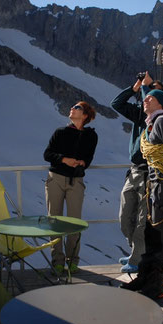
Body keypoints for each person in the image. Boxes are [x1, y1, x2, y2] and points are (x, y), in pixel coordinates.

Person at [120, 88, 163, 299]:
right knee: (151, 233)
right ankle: (145, 277)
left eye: (151, 97)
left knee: (159, 235)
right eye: (146, 96)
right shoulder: (152, 124)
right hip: (156, 185)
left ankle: (156, 286)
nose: (145, 99)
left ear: (161, 104)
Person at [110, 72, 163, 273]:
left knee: (143, 221)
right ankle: (137, 251)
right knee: (125, 219)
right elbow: (116, 104)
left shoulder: (160, 119)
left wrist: (146, 87)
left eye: (155, 92)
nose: (149, 96)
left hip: (149, 175)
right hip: (134, 172)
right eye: (148, 92)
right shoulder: (140, 113)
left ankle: (137, 260)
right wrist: (134, 88)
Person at [44, 101, 98, 275]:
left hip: (76, 181)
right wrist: (63, 159)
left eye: (77, 108)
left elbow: (89, 158)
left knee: (75, 223)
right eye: (73, 106)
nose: (72, 109)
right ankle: (57, 262)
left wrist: (83, 163)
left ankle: (73, 261)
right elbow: (47, 154)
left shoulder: (91, 136)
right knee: (55, 222)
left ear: (85, 115)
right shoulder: (60, 132)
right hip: (56, 179)